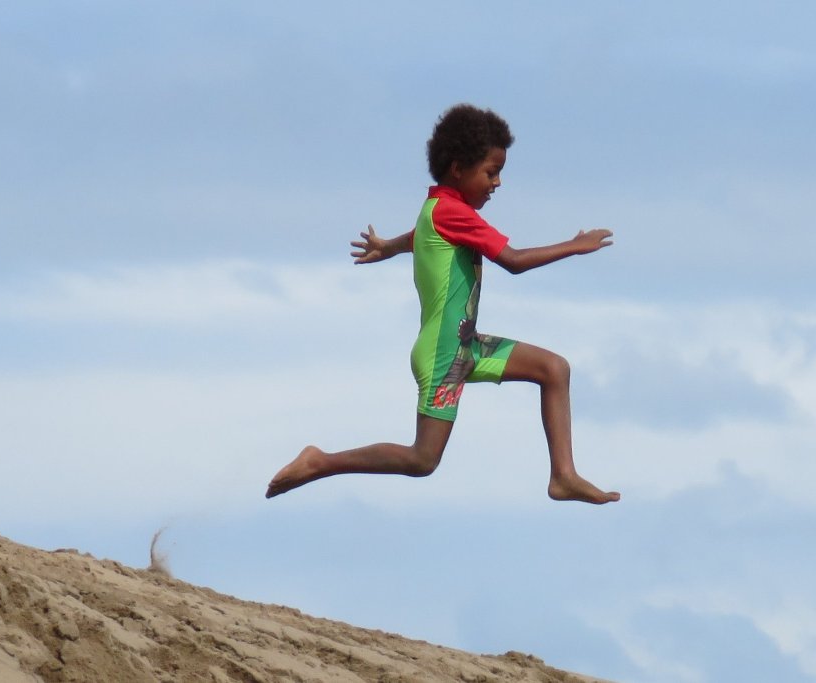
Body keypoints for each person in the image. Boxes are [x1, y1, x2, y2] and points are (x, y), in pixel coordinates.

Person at [265, 103, 621, 505]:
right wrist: (575, 246)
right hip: (444, 353)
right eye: (491, 171)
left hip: (464, 345)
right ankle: (320, 461)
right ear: (458, 168)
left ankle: (564, 477)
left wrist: (389, 247)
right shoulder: (453, 213)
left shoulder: (440, 210)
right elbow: (515, 261)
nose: (498, 182)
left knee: (553, 369)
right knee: (422, 459)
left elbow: (422, 235)